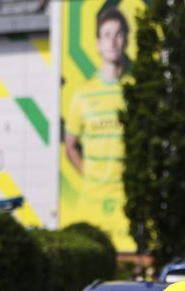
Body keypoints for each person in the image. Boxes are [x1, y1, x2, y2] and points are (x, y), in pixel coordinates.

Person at [64, 8, 129, 238]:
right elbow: (69, 144)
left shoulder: (132, 90)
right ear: (98, 43)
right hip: (91, 199)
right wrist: (89, 174)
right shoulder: (83, 94)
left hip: (126, 200)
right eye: (107, 35)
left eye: (118, 34)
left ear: (125, 41)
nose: (112, 41)